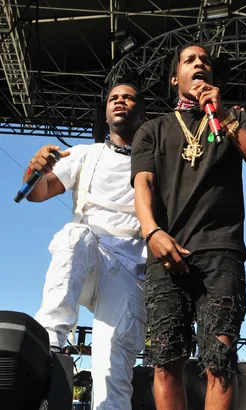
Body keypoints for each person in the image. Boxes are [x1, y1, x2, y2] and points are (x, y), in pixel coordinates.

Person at [131, 43, 246, 410]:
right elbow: (143, 186)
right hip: (166, 250)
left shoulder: (234, 117)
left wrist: (224, 116)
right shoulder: (152, 129)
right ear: (174, 77)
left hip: (221, 250)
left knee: (220, 363)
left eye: (205, 61)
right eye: (189, 60)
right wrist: (152, 232)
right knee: (165, 362)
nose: (199, 65)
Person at [24, 82, 147, 410]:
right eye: (113, 98)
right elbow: (38, 191)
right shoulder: (85, 154)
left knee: (112, 374)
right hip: (89, 256)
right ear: (106, 113)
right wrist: (37, 169)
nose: (119, 101)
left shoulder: (154, 161)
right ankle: (48, 345)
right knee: (74, 235)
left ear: (141, 112)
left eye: (128, 97)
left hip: (132, 269)